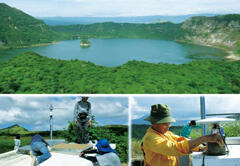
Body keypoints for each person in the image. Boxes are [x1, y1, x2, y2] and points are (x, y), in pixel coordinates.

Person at [141, 104, 224, 166]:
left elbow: (181, 140)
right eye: (165, 124)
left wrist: (201, 147)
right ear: (153, 123)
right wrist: (205, 138)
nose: (168, 126)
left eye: (169, 123)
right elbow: (173, 148)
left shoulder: (166, 133)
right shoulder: (150, 138)